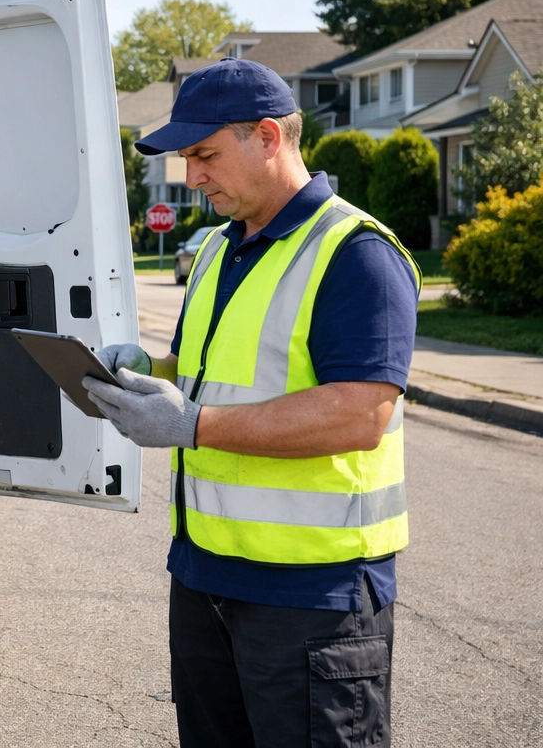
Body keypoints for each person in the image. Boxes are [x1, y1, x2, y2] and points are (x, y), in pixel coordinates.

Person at [83, 58, 418, 748]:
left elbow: (361, 412)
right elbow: (202, 372)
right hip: (204, 574)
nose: (192, 178)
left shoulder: (355, 253)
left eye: (204, 156)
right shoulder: (216, 249)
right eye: (186, 160)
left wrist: (191, 424)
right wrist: (144, 371)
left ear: (267, 136)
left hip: (312, 597)